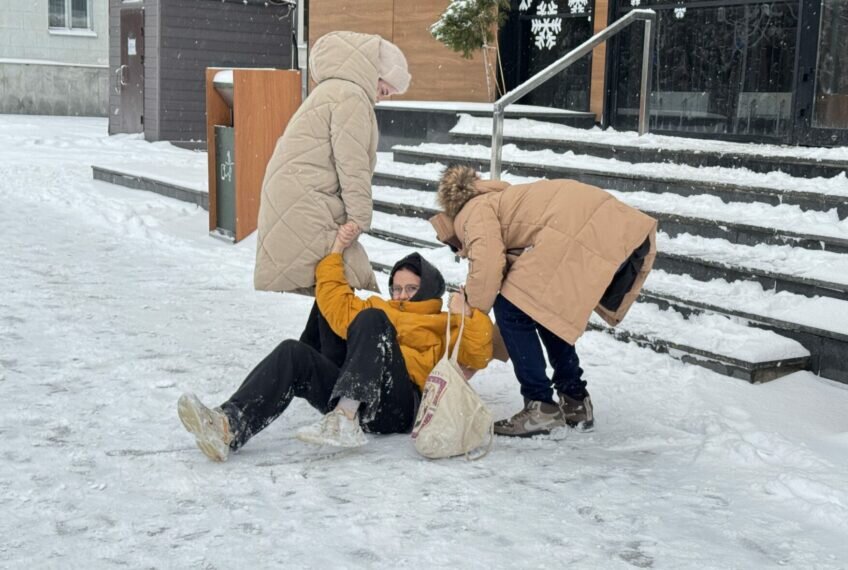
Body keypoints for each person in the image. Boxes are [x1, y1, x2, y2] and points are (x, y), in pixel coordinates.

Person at [178, 225, 494, 462]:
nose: (400, 295)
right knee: (295, 350)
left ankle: (345, 417)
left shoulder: (442, 322)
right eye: (396, 288)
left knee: (372, 320)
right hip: (363, 395)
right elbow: (334, 302)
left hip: (400, 406)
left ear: (428, 290)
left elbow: (477, 355)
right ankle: (228, 426)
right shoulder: (379, 307)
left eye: (410, 289)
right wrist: (336, 250)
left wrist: (467, 313)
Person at [429, 165, 657, 438]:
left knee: (510, 309)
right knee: (544, 309)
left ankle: (540, 406)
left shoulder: (471, 212)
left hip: (577, 230)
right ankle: (575, 400)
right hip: (599, 225)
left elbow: (488, 264)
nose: (462, 254)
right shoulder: (498, 199)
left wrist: (472, 313)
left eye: (458, 248)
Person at [253, 30, 411, 296]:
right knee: (340, 282)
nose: (383, 97)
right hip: (307, 198)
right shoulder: (351, 97)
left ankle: (315, 339)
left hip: (297, 195)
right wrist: (359, 218)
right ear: (375, 72)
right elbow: (352, 164)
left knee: (331, 286)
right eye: (385, 89)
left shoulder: (334, 90)